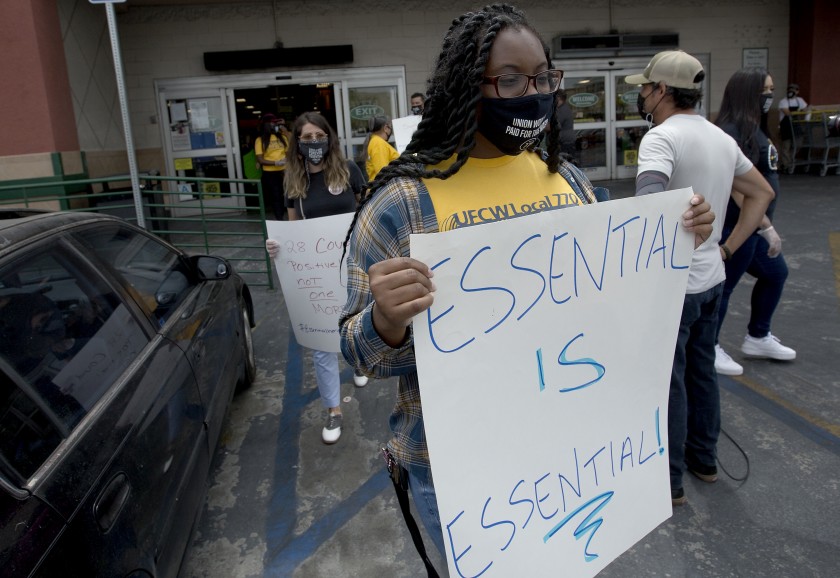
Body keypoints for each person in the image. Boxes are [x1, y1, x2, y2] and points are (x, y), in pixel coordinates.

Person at [339, 7, 714, 565]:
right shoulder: (402, 204)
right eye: (510, 79)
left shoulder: (567, 179)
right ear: (468, 87)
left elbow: (609, 305)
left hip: (570, 456)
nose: (531, 92)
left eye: (543, 78)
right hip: (466, 478)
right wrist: (385, 322)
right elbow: (356, 351)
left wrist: (676, 240)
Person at [626, 50, 774, 506]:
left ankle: (669, 482)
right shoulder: (720, 138)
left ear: (662, 91)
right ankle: (704, 461)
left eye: (645, 88)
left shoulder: (660, 138)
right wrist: (727, 247)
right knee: (702, 371)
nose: (642, 95)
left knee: (669, 381)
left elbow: (650, 201)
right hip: (712, 279)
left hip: (673, 287)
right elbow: (761, 193)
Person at [265, 112, 368, 443]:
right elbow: (294, 231)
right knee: (323, 344)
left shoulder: (349, 170)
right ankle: (334, 410)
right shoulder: (294, 183)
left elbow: (367, 211)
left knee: (354, 323)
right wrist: (278, 247)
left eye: (318, 136)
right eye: (306, 138)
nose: (313, 143)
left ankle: (357, 364)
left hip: (351, 266)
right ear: (297, 142)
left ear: (329, 137)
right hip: (318, 274)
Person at [713, 68, 796, 376]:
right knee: (724, 288)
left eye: (772, 90)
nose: (769, 97)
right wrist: (765, 225)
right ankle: (710, 345)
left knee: (776, 273)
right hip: (737, 227)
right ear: (748, 92)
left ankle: (758, 336)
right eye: (765, 91)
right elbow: (737, 187)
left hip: (753, 228)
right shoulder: (732, 131)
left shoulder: (753, 128)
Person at [255, 113, 289, 220]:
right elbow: (260, 159)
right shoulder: (260, 140)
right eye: (273, 122)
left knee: (289, 195)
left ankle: (292, 218)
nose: (275, 124)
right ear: (266, 124)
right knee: (276, 196)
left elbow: (288, 152)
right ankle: (280, 219)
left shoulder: (283, 137)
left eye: (276, 122)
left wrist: (286, 161)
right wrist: (276, 163)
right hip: (270, 173)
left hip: (285, 171)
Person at [777, 83, 808, 172]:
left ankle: (789, 160)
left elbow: (805, 110)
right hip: (786, 127)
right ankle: (786, 165)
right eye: (790, 89)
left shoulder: (800, 100)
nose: (791, 91)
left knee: (798, 144)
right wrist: (799, 112)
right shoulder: (783, 101)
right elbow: (787, 112)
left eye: (794, 90)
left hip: (797, 126)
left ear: (797, 91)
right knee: (786, 146)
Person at [360, 114, 399, 182]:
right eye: (390, 127)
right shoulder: (378, 143)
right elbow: (383, 172)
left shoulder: (376, 141)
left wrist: (416, 154)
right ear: (386, 128)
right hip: (383, 189)